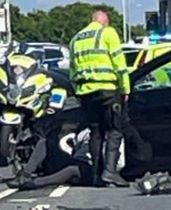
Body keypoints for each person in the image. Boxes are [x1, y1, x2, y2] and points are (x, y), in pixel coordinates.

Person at [69, 10, 130, 187]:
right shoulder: (108, 32)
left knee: (96, 133)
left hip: (86, 93)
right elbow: (119, 63)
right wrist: (125, 88)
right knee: (115, 129)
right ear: (104, 21)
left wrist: (79, 91)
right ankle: (110, 172)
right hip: (107, 90)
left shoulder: (76, 39)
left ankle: (96, 174)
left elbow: (72, 71)